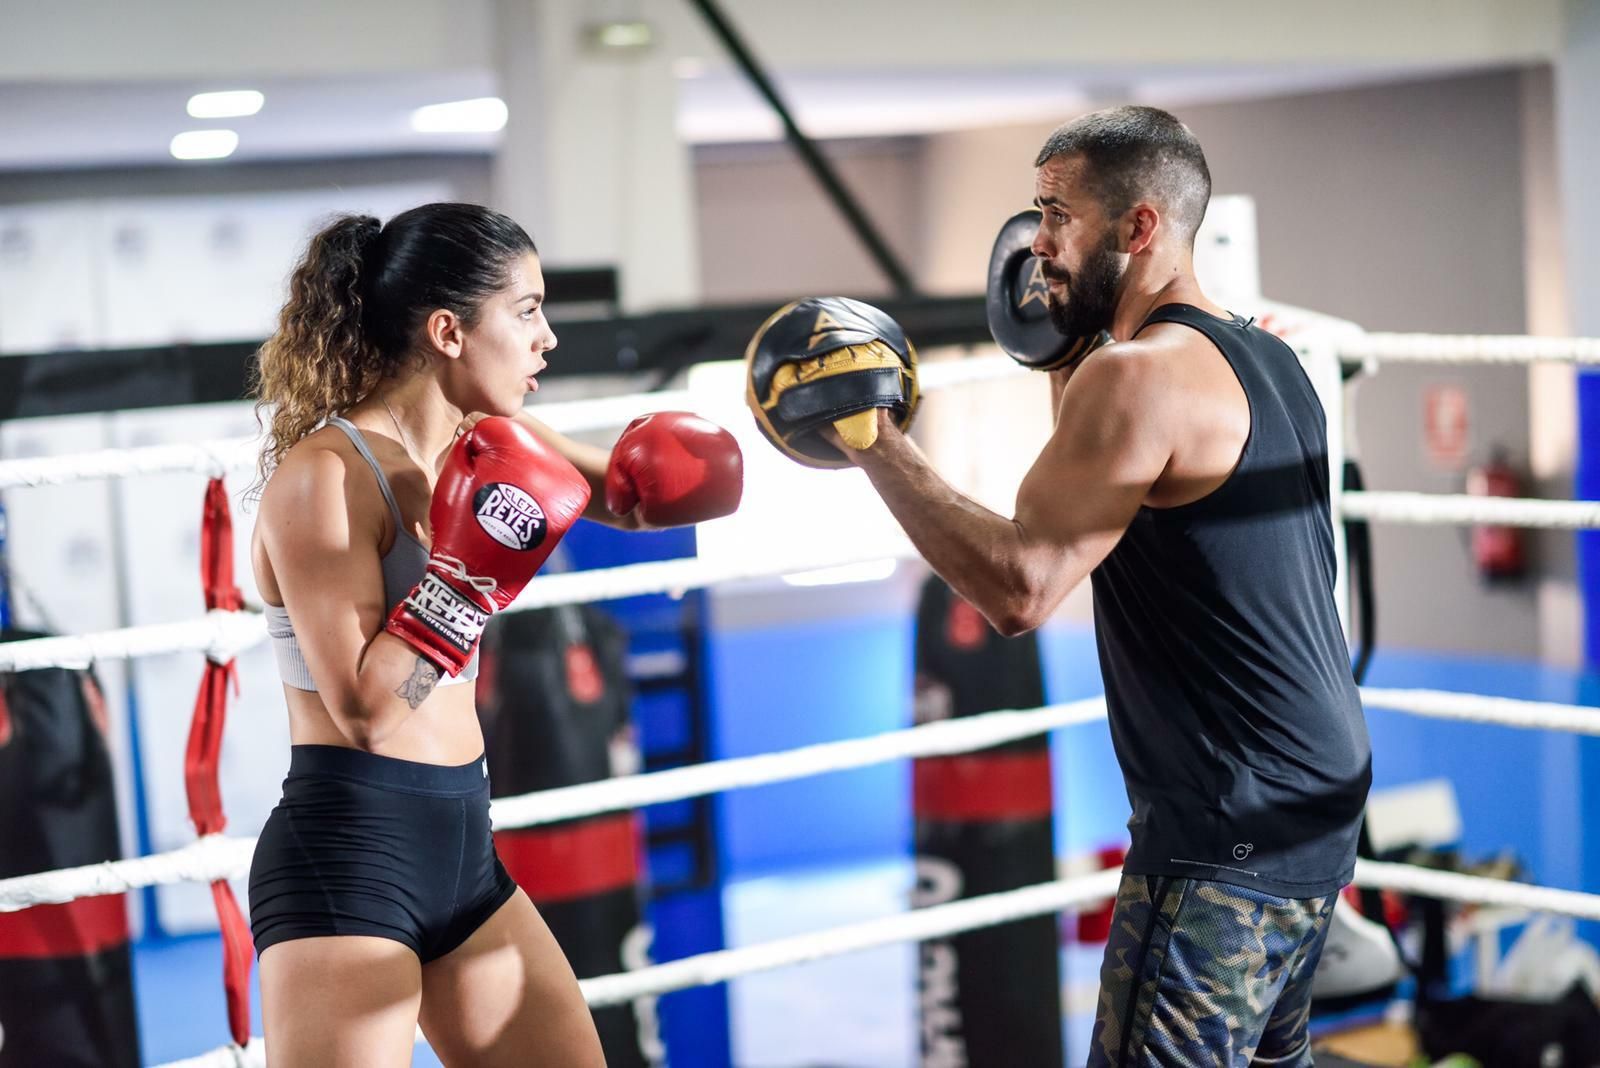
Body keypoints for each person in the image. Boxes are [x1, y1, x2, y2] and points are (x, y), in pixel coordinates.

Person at [811, 107, 1371, 1064]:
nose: (1038, 241)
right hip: (1315, 812)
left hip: (1220, 836)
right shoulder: (1270, 361)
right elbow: (1120, 486)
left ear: (1139, 227)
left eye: (1057, 213)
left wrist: (872, 439)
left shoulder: (1137, 381)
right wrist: (1061, 349)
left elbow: (1021, 586)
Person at [246, 202, 741, 1067]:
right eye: (527, 311)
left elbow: (627, 496)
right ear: (448, 330)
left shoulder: (491, 442)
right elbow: (366, 711)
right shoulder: (323, 478)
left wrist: (806, 427)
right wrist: (467, 577)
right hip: (351, 862)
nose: (547, 337)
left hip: (466, 852)